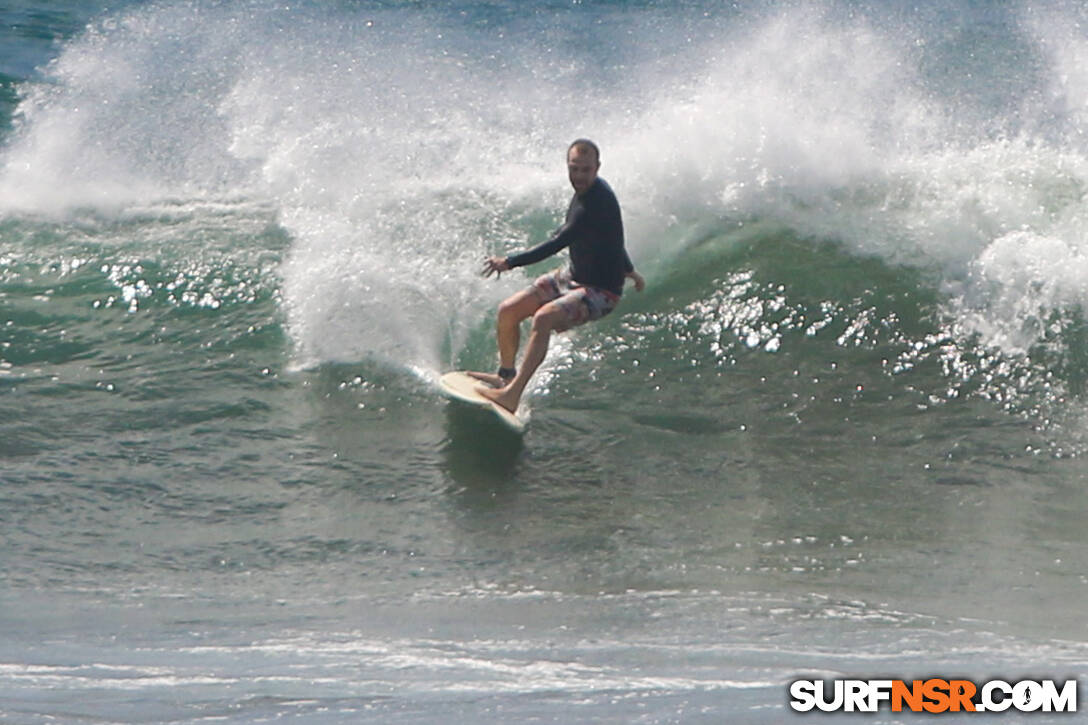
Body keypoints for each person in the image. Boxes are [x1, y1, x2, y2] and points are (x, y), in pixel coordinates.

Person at [472, 139, 645, 413]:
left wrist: (509, 262)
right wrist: (629, 269)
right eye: (574, 169)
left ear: (597, 168)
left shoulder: (594, 203)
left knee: (543, 318)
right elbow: (612, 237)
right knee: (508, 310)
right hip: (573, 276)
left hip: (601, 291)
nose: (578, 176)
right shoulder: (587, 193)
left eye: (585, 170)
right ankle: (505, 376)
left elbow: (557, 243)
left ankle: (511, 395)